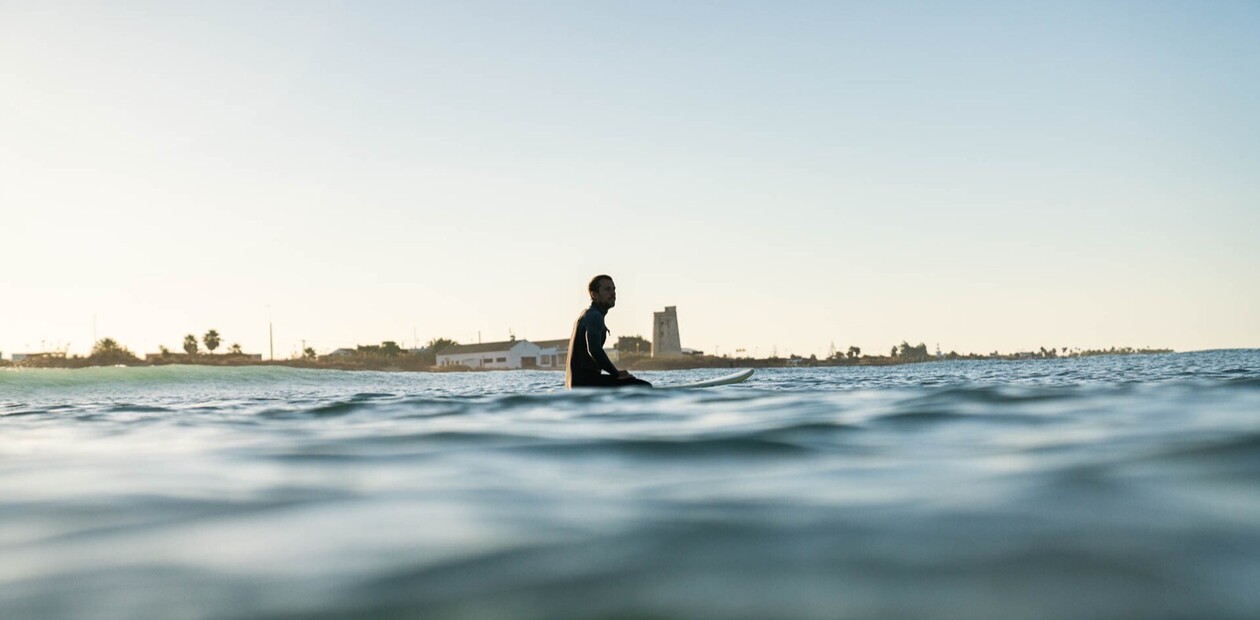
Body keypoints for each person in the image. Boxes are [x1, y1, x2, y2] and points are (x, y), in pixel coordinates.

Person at [566, 275, 652, 389]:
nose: (613, 293)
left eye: (614, 289)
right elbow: (594, 350)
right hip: (585, 384)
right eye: (607, 289)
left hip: (578, 384)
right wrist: (616, 373)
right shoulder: (594, 315)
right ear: (594, 295)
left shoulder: (588, 314)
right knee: (644, 387)